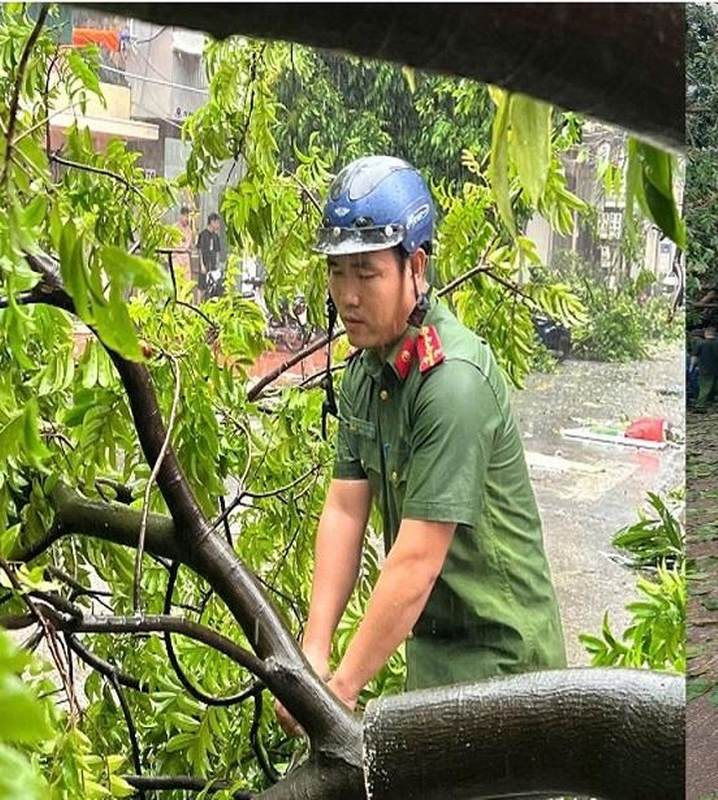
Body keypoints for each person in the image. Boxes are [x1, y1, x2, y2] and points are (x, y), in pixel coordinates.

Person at [276, 155, 566, 728]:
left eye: (367, 273)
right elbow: (342, 509)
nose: (348, 295)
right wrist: (313, 653)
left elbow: (414, 561)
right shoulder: (365, 374)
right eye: (337, 272)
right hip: (431, 661)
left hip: (506, 671)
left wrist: (342, 688)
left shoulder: (453, 382)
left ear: (417, 267)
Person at [689, 327, 718, 413]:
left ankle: (701, 406)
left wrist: (691, 367)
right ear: (715, 334)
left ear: (705, 334)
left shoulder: (700, 344)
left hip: (705, 369)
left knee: (704, 388)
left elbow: (694, 357)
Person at [196, 212, 226, 299]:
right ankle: (199, 303)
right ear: (212, 222)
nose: (218, 225)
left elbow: (217, 252)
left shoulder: (216, 237)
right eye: (217, 222)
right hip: (204, 263)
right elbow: (200, 250)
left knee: (212, 285)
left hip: (212, 264)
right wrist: (201, 264)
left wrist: (216, 265)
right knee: (201, 286)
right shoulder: (203, 235)